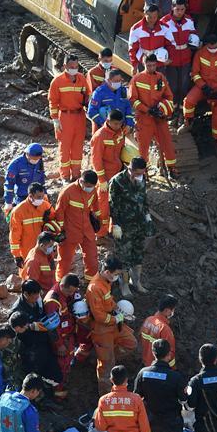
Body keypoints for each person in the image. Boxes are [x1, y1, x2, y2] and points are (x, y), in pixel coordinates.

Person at [134, 338, 188, 432]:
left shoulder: (143, 374)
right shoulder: (175, 377)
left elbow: (137, 397)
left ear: (153, 353)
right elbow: (184, 399)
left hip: (151, 422)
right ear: (169, 355)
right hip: (172, 422)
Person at [87, 257, 137, 392]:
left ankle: (108, 357)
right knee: (106, 366)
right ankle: (105, 395)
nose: (117, 277)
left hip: (113, 323)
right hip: (102, 328)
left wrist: (120, 311)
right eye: (116, 274)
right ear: (108, 272)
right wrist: (117, 318)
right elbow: (98, 316)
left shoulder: (106, 282)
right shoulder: (95, 288)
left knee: (130, 343)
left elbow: (109, 301)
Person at [109, 157, 155, 297]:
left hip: (139, 224)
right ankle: (124, 286)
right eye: (138, 173)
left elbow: (144, 199)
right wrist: (116, 224)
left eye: (142, 173)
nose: (141, 176)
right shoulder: (117, 181)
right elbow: (112, 204)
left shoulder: (141, 179)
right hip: (124, 226)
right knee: (124, 256)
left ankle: (136, 282)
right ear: (131, 170)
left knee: (138, 255)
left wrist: (147, 216)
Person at [129, 54, 178, 176]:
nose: (151, 67)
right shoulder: (136, 79)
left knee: (167, 143)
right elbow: (133, 99)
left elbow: (169, 96)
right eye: (148, 65)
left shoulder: (161, 77)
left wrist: (162, 109)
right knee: (143, 147)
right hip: (144, 118)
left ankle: (171, 168)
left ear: (156, 64)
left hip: (159, 118)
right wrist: (147, 110)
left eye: (153, 65)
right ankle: (143, 172)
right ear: (144, 64)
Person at [183, 34, 217, 155]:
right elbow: (195, 73)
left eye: (214, 45)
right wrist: (203, 86)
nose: (212, 47)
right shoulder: (200, 53)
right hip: (203, 87)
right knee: (188, 101)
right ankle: (188, 123)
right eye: (209, 45)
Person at [12, 279, 63, 390]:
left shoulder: (38, 302)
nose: (37, 298)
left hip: (43, 344)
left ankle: (54, 395)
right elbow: (15, 329)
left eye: (38, 294)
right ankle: (41, 402)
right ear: (26, 294)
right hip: (30, 351)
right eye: (34, 296)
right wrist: (30, 326)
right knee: (36, 380)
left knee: (55, 374)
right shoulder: (17, 310)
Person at [53, 170, 100, 282]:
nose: (90, 189)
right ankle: (60, 285)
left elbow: (95, 204)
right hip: (70, 232)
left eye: (92, 186)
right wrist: (60, 231)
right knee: (65, 260)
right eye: (88, 186)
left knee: (92, 259)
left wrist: (98, 220)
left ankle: (91, 283)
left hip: (87, 231)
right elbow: (59, 212)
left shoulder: (92, 190)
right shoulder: (67, 192)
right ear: (81, 181)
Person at [90, 109, 130, 239]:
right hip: (105, 177)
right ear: (108, 121)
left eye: (120, 124)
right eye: (115, 124)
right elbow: (96, 160)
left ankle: (112, 230)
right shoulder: (99, 136)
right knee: (103, 207)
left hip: (117, 174)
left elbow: (120, 151)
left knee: (116, 204)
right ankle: (100, 235)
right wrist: (102, 180)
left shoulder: (119, 133)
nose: (118, 126)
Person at [48, 55, 88, 182]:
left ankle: (76, 175)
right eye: (71, 67)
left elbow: (87, 95)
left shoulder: (81, 78)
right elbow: (52, 102)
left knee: (77, 147)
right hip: (65, 116)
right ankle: (65, 176)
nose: (74, 69)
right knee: (65, 148)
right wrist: (55, 119)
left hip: (80, 116)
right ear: (64, 66)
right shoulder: (57, 81)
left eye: (76, 67)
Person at [43, 275, 80, 400]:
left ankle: (64, 384)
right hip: (60, 340)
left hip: (68, 336)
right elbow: (51, 327)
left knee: (67, 363)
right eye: (69, 291)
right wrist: (59, 344)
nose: (71, 294)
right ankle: (59, 395)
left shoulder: (66, 293)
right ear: (63, 286)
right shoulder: (52, 302)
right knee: (61, 366)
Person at [159, 0, 198, 112]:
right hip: (171, 60)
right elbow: (160, 40)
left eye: (182, 9)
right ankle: (172, 110)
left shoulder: (189, 20)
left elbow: (193, 34)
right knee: (173, 86)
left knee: (184, 86)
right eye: (177, 9)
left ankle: (182, 111)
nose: (180, 12)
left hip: (185, 58)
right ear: (172, 8)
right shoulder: (164, 22)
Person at [9, 183, 53, 270]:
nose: (41, 199)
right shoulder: (19, 211)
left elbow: (54, 224)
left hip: (44, 247)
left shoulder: (46, 206)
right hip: (27, 251)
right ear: (30, 196)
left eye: (42, 196)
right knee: (28, 275)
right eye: (39, 197)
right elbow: (15, 234)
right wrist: (17, 255)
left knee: (46, 274)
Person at [3, 144, 45, 216]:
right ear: (27, 154)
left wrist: (45, 193)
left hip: (36, 196)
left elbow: (41, 180)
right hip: (21, 198)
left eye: (37, 159)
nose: (36, 161)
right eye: (34, 159)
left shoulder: (39, 162)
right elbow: (9, 184)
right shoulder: (16, 164)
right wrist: (8, 202)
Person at [128, 4, 170, 71]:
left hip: (159, 63)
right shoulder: (136, 29)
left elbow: (170, 45)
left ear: (158, 15)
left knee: (159, 81)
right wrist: (134, 65)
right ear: (144, 14)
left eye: (155, 17)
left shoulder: (165, 28)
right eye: (149, 17)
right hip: (143, 63)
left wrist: (168, 58)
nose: (152, 19)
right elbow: (132, 48)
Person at [140, 294, 178, 367]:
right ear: (166, 310)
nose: (173, 312)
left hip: (145, 364)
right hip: (158, 368)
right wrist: (172, 370)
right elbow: (170, 354)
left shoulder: (148, 320)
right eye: (172, 309)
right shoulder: (165, 329)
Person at [4, 313, 29, 391]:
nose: (26, 328)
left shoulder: (10, 329)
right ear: (18, 327)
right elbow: (7, 366)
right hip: (8, 371)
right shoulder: (8, 340)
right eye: (25, 327)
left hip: (15, 365)